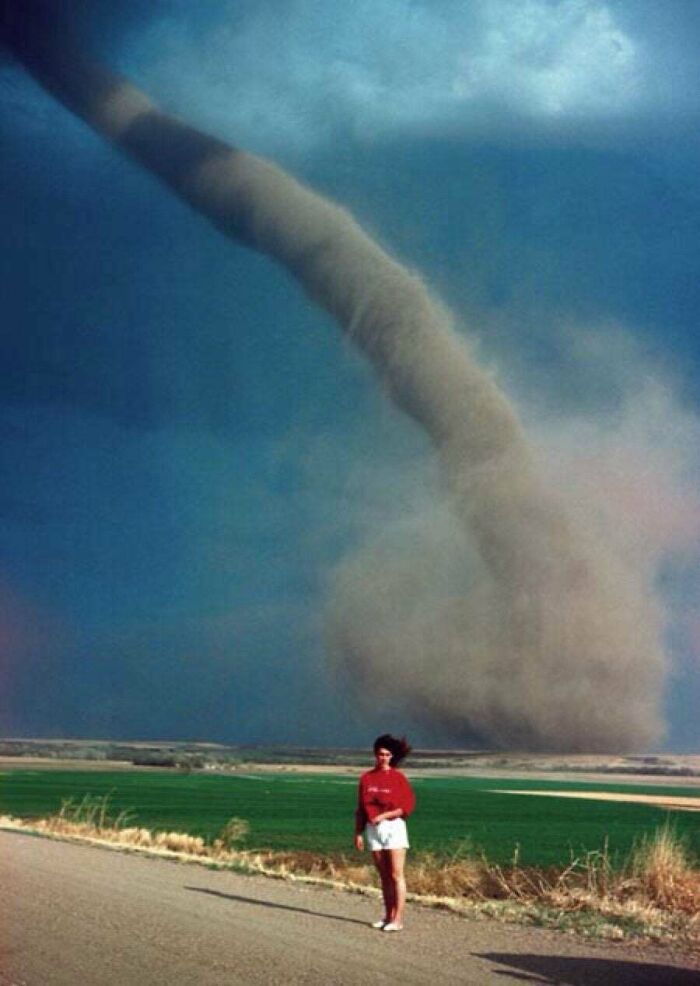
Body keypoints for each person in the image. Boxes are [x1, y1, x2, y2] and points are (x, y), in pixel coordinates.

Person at [354, 733, 415, 932]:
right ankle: (387, 915)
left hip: (393, 827)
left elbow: (406, 806)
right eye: (381, 754)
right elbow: (361, 808)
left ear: (392, 756)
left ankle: (398, 919)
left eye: (388, 754)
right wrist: (358, 832)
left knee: (396, 874)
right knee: (384, 875)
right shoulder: (366, 778)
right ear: (375, 754)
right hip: (373, 829)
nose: (384, 758)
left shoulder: (398, 778)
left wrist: (384, 816)